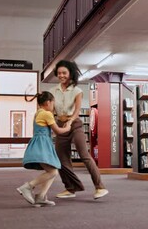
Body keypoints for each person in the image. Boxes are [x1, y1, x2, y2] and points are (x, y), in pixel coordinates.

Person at [50, 60, 109, 200]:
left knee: (84, 155)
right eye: (59, 73)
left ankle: (100, 187)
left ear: (70, 74)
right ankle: (70, 188)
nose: (61, 75)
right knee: (61, 158)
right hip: (60, 125)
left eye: (64, 73)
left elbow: (77, 111)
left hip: (75, 124)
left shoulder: (77, 91)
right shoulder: (52, 91)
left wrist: (70, 121)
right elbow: (51, 110)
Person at [16, 91, 71, 207]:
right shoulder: (46, 114)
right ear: (48, 102)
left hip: (39, 144)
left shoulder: (38, 113)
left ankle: (41, 196)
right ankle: (27, 187)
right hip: (42, 145)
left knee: (52, 171)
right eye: (53, 103)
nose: (53, 106)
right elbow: (58, 131)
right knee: (53, 171)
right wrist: (68, 127)